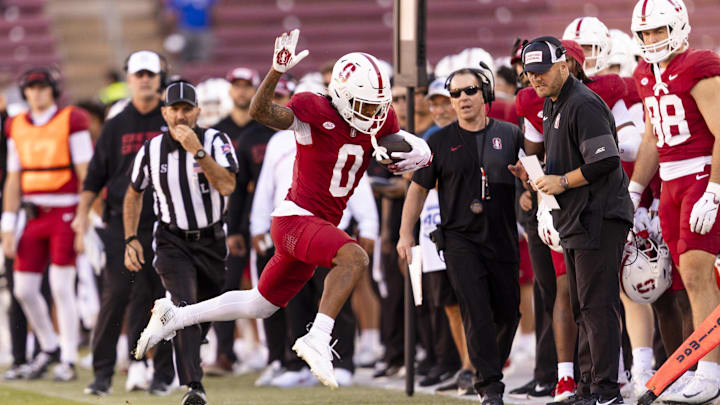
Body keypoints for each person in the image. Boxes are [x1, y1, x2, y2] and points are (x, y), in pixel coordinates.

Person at [133, 29, 431, 389]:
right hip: (295, 219)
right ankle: (317, 337)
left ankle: (176, 316)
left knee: (260, 304)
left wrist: (419, 153)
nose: (371, 114)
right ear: (340, 93)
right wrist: (275, 71)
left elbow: (392, 147)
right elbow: (260, 111)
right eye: (364, 105)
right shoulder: (313, 108)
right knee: (354, 258)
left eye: (376, 107)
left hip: (320, 223)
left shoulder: (380, 116)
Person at [510, 36, 633, 405]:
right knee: (583, 305)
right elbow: (566, 161)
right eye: (530, 73)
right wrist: (536, 173)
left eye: (542, 70)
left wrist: (560, 180)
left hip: (600, 213)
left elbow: (605, 159)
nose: (535, 79)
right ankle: (587, 384)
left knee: (598, 304)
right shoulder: (551, 104)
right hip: (577, 215)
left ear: (564, 65)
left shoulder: (583, 102)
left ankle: (607, 389)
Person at [398, 64, 524, 405]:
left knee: (509, 312)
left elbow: (532, 177)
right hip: (459, 239)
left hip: (501, 235)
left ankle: (489, 370)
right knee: (475, 309)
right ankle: (490, 387)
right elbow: (418, 189)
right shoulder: (437, 141)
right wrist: (405, 234)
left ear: (485, 94)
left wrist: (527, 185)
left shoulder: (511, 134)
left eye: (469, 91)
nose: (463, 99)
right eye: (455, 94)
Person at [124, 81, 237, 405]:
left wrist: (198, 152)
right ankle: (194, 386)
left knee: (205, 314)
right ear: (165, 112)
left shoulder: (216, 141)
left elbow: (227, 185)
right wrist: (131, 238)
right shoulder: (151, 149)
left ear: (198, 112)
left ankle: (176, 340)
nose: (181, 115)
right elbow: (133, 193)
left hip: (212, 240)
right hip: (172, 241)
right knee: (184, 306)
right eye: (174, 109)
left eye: (187, 109)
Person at [628, 0, 720, 401]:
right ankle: (693, 365)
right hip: (670, 182)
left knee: (699, 273)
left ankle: (710, 373)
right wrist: (634, 190)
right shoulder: (644, 74)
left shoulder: (699, 66)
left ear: (679, 28)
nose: (652, 40)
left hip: (702, 174)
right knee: (681, 282)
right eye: (645, 33)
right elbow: (652, 138)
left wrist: (714, 190)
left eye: (658, 31)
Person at [74, 50, 176, 396]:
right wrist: (81, 217)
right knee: (116, 293)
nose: (145, 79)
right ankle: (102, 373)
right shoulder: (116, 124)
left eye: (150, 73)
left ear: (160, 76)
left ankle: (162, 373)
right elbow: (95, 176)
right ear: (129, 78)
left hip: (166, 221)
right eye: (139, 74)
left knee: (164, 298)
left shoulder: (173, 120)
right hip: (121, 222)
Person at [1, 67, 91, 381]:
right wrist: (8, 222)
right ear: (24, 92)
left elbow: (85, 172)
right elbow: (14, 177)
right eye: (31, 87)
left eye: (42, 87)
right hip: (33, 213)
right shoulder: (16, 125)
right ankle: (50, 347)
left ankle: (68, 357)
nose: (36, 93)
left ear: (52, 89)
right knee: (24, 289)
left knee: (61, 287)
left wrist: (83, 216)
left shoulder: (71, 119)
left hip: (65, 211)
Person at [205, 67, 276, 375]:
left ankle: (276, 351)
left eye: (249, 86)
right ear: (229, 90)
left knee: (272, 281)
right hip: (229, 215)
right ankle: (224, 352)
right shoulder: (217, 131)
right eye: (238, 85)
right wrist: (231, 225)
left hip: (267, 216)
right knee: (227, 283)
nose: (243, 91)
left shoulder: (270, 129)